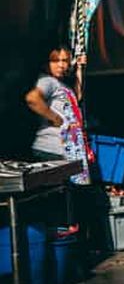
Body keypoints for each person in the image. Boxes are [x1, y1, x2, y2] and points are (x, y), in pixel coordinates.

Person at [25, 45, 92, 185]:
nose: (61, 65)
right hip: (52, 150)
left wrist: (79, 68)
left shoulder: (61, 84)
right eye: (56, 61)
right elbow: (32, 99)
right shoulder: (47, 81)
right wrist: (55, 118)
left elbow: (76, 98)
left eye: (65, 61)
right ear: (46, 63)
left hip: (63, 149)